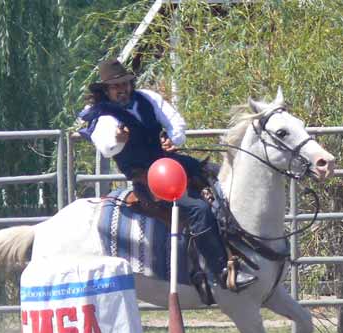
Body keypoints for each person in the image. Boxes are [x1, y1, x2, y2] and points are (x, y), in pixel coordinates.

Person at [77, 58, 256, 292]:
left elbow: (175, 122)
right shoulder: (105, 117)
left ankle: (243, 250)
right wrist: (118, 140)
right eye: (115, 86)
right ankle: (222, 272)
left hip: (170, 164)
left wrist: (173, 139)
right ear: (106, 90)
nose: (122, 89)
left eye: (125, 84)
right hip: (148, 179)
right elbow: (107, 145)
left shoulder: (147, 99)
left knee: (220, 181)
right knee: (198, 209)